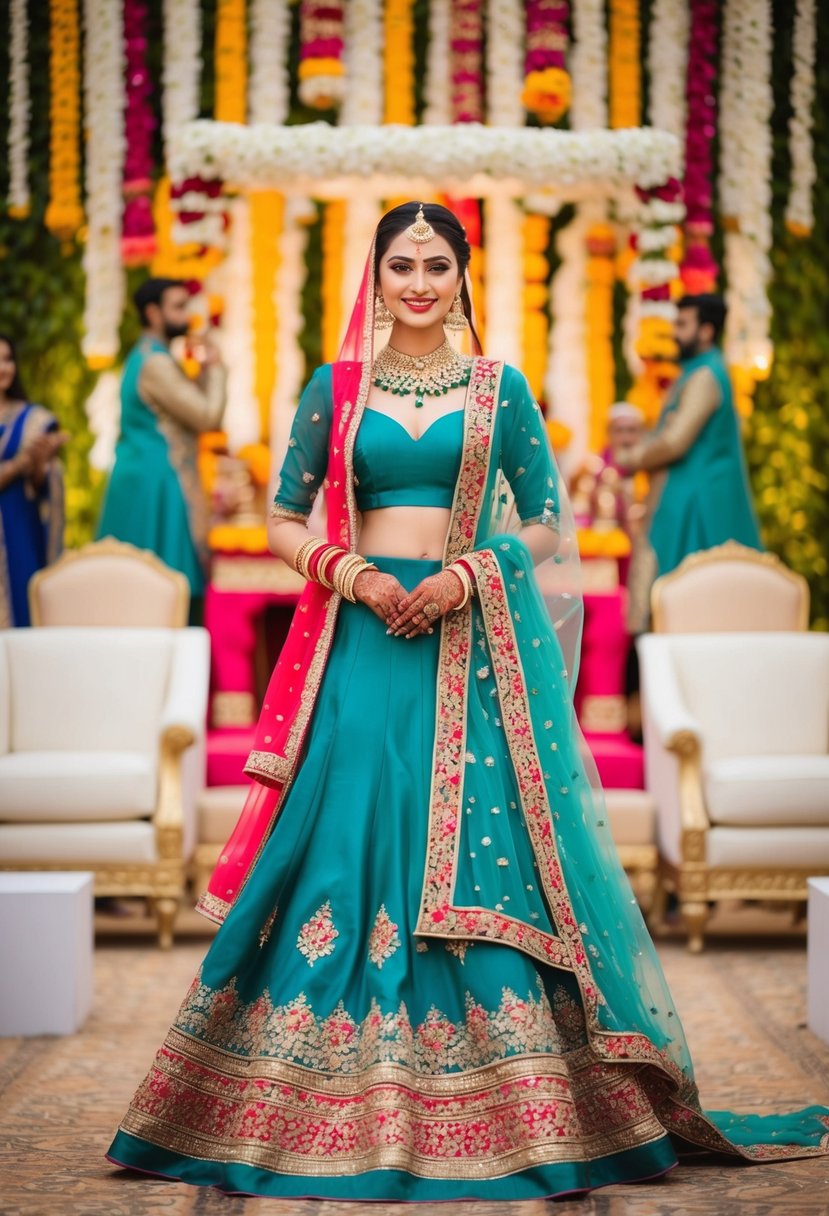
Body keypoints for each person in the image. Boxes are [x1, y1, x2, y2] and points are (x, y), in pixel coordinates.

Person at [107, 205, 828, 1201]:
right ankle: (290, 1092)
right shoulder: (337, 387)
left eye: (434, 265)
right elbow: (281, 514)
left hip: (464, 643)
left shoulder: (499, 389)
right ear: (378, 272)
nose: (415, 282)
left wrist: (467, 575)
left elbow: (544, 524)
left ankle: (516, 1096)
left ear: (460, 275)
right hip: (363, 640)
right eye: (399, 264)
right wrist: (350, 572)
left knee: (471, 848)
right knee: (344, 836)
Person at [614, 293, 762, 633]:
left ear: (706, 331)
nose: (674, 333)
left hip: (697, 503)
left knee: (689, 602)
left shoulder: (706, 376)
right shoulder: (697, 371)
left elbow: (674, 440)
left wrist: (629, 459)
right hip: (686, 494)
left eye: (682, 324)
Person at [97, 278, 227, 610]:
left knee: (146, 597)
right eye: (179, 307)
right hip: (155, 486)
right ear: (154, 313)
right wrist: (216, 367)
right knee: (158, 598)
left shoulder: (150, 356)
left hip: (149, 478)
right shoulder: (155, 364)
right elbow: (207, 416)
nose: (187, 317)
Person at [0, 333, 66, 627]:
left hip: (18, 532)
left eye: (8, 359)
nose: (4, 367)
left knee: (23, 614)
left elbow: (42, 487)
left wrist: (40, 465)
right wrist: (18, 465)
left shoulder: (34, 420)